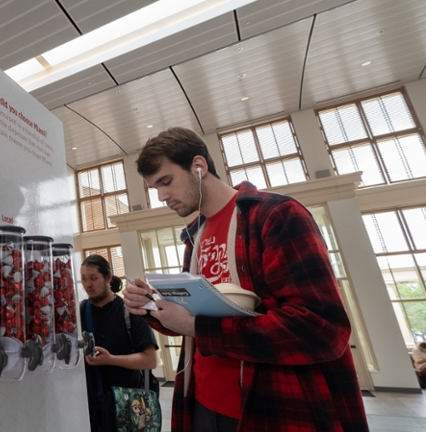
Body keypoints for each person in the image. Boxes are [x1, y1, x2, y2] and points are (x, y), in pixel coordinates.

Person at [122, 127, 368, 432]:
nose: (161, 196)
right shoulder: (193, 237)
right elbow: (194, 314)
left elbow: (321, 328)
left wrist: (196, 327)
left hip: (269, 405)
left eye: (166, 181)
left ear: (198, 167)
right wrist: (150, 305)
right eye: (154, 188)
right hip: (200, 402)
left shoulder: (276, 216)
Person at [81, 255, 159, 432]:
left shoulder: (129, 311)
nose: (88, 285)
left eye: (93, 278)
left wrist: (110, 359)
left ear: (108, 278)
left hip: (129, 403)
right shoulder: (81, 311)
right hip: (92, 406)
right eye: (84, 279)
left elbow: (150, 360)